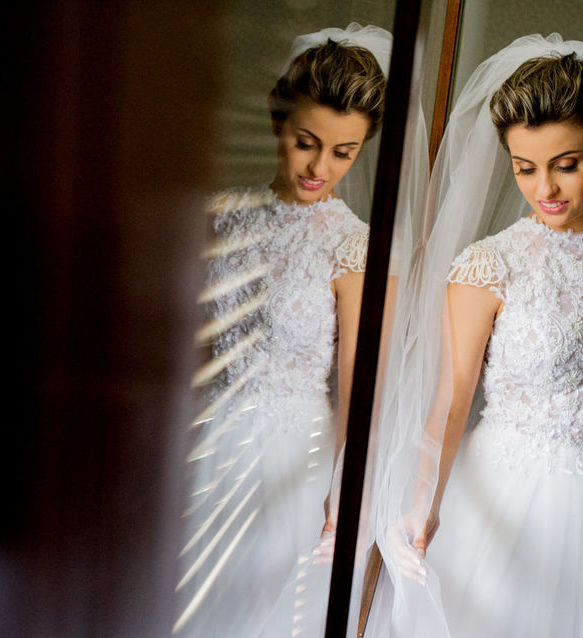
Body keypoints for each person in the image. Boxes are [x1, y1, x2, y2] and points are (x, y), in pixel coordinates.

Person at [363, 34, 583, 637]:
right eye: (524, 168)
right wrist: (424, 502)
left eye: (566, 165)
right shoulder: (489, 267)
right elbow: (452, 397)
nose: (545, 190)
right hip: (502, 499)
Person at [173, 24, 426, 638]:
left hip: (293, 462)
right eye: (305, 142)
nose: (319, 167)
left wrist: (344, 491)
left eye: (344, 152)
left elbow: (359, 389)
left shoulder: (356, 250)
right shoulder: (218, 217)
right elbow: (190, 350)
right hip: (203, 444)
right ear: (275, 122)